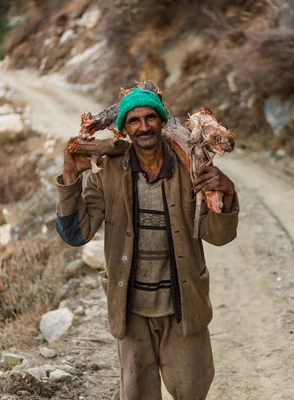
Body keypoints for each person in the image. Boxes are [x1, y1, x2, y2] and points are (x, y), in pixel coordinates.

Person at [55, 88, 239, 400]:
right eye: (134, 120)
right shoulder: (107, 171)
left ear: (162, 121)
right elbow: (76, 234)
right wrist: (70, 175)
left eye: (150, 117)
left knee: (193, 390)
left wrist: (228, 194)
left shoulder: (189, 166)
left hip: (182, 305)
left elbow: (219, 236)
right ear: (124, 129)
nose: (143, 126)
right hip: (132, 310)